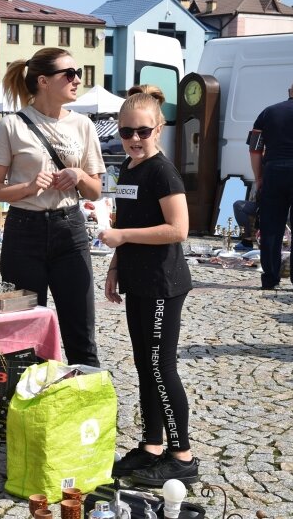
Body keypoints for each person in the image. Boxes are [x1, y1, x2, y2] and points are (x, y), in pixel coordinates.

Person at [98, 86, 197, 486]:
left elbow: (179, 229)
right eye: (126, 132)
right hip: (137, 278)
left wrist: (124, 239)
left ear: (158, 129)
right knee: (145, 365)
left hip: (162, 282)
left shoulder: (162, 171)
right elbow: (123, 221)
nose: (134, 139)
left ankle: (182, 455)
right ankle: (152, 445)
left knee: (161, 366)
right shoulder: (127, 167)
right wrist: (115, 265)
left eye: (142, 131)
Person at [0, 47, 103, 367]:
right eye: (70, 74)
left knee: (81, 332)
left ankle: (87, 410)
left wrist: (78, 174)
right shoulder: (12, 125)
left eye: (78, 73)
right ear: (44, 81)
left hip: (70, 229)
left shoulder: (84, 126)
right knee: (22, 334)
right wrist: (29, 187)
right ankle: (24, 411)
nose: (78, 80)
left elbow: (97, 190)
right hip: (25, 232)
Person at [249, 78, 293, 290]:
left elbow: (254, 149)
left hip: (274, 172)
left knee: (271, 228)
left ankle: (270, 278)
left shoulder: (267, 113)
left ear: (289, 91)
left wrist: (259, 177)